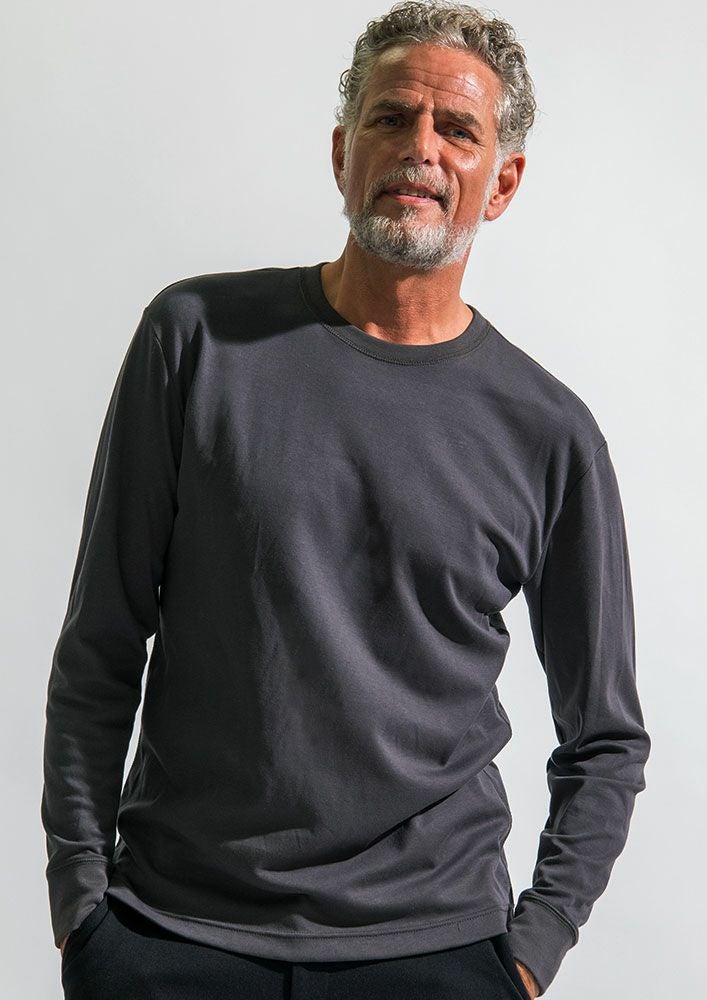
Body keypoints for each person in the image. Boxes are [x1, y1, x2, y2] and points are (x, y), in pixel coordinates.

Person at [42, 2, 651, 997]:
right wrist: (80, 905)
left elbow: (605, 736)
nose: (419, 148)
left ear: (501, 182)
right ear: (341, 153)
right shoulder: (195, 341)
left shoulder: (548, 434)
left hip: (435, 949)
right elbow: (100, 644)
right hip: (171, 932)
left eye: (456, 129)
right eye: (390, 117)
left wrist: (529, 952)